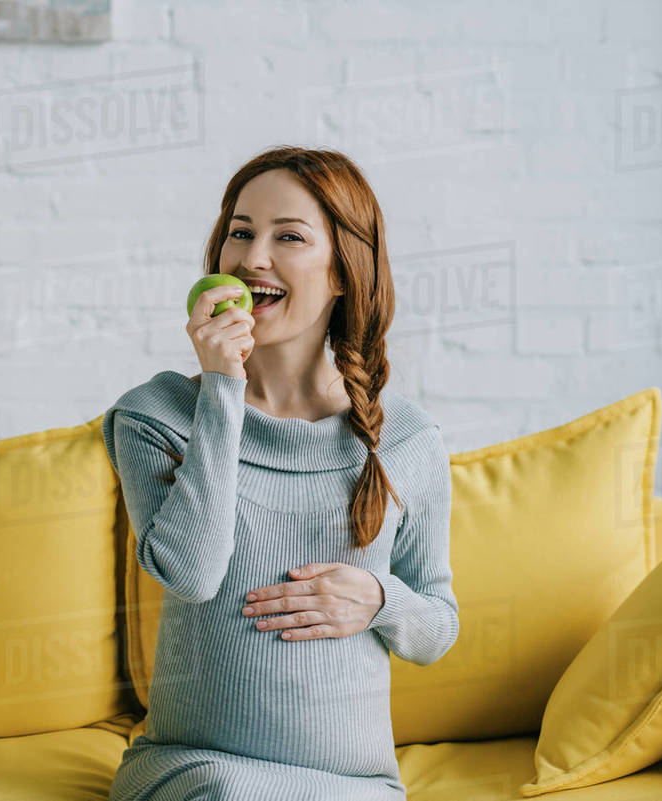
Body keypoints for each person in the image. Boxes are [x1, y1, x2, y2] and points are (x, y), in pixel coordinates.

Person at [101, 146, 459, 800]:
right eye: (240, 232)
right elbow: (192, 571)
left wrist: (379, 598)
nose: (251, 258)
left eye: (287, 236)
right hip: (197, 769)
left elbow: (437, 626)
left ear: (344, 270)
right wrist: (221, 388)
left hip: (353, 786)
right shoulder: (156, 415)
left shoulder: (407, 438)